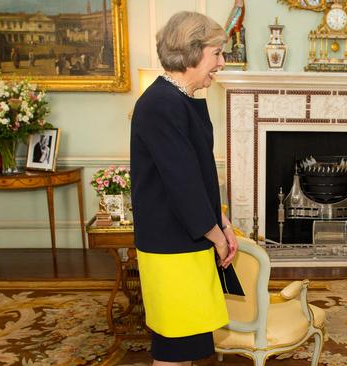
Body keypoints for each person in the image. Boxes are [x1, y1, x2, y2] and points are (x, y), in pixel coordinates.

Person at [130, 11, 236, 365]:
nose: (221, 62)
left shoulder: (181, 99)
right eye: (217, 53)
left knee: (187, 341)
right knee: (174, 345)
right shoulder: (160, 104)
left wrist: (222, 223)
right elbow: (182, 184)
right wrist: (217, 237)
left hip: (188, 239)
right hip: (170, 245)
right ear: (192, 51)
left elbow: (201, 173)